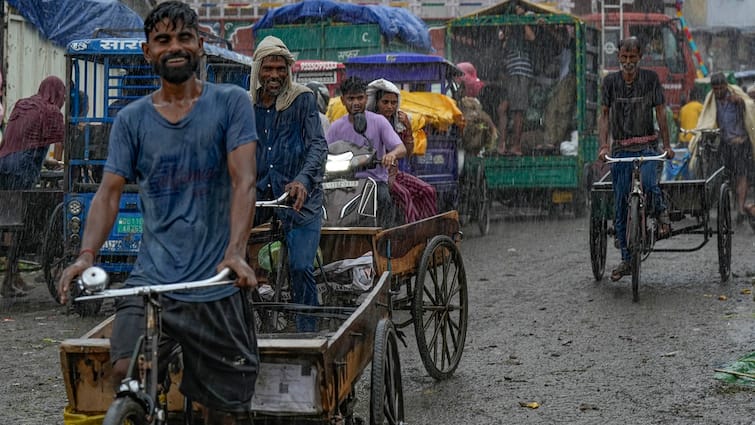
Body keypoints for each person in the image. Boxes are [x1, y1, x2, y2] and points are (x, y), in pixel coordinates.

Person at [57, 3, 259, 424]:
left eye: (184, 37)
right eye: (163, 40)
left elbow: (244, 182)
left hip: (215, 285)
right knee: (122, 372)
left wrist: (236, 252)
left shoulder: (231, 103)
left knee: (226, 414)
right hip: (152, 284)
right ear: (148, 52)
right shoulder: (131, 119)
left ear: (200, 45)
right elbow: (108, 193)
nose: (175, 47)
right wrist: (85, 256)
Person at [251, 36, 328, 332]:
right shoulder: (250, 106)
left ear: (288, 70)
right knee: (222, 247)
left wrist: (302, 179)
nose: (274, 75)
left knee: (300, 266)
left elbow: (318, 146)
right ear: (258, 70)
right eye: (268, 68)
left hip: (299, 198)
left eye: (280, 68)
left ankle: (309, 330)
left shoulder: (302, 99)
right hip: (261, 194)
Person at [598, 37, 675, 282]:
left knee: (651, 183)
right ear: (618, 57)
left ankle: (661, 214)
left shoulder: (650, 79)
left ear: (639, 57)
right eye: (624, 57)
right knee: (620, 201)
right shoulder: (609, 82)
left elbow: (661, 112)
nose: (628, 62)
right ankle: (625, 257)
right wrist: (603, 145)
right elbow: (604, 115)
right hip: (620, 151)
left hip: (647, 146)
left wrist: (667, 145)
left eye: (632, 57)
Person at [326, 76, 406, 227]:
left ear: (366, 98)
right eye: (351, 98)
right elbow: (323, 152)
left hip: (373, 182)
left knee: (384, 199)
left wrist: (391, 154)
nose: (356, 103)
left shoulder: (379, 121)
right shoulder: (336, 126)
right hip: (342, 183)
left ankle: (383, 243)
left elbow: (401, 148)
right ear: (343, 100)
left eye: (360, 98)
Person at [366, 78, 437, 223]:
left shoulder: (398, 124)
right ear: (377, 103)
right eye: (385, 102)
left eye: (393, 103)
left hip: (395, 174)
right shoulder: (369, 122)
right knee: (405, 196)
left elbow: (408, 152)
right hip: (377, 176)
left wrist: (408, 128)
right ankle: (411, 236)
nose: (390, 107)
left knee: (428, 190)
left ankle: (428, 230)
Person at [695, 72, 755, 220]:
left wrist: (740, 102)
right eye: (716, 88)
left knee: (742, 175)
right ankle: (720, 202)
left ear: (726, 86)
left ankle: (740, 209)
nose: (719, 91)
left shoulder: (736, 96)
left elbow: (749, 106)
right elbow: (707, 118)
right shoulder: (712, 101)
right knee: (721, 175)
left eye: (721, 87)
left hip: (741, 143)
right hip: (725, 145)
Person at [0, 76, 65, 190]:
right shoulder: (52, 111)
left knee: (5, 204)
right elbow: (63, 140)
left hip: (3, 163)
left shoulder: (22, 104)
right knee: (21, 204)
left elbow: (18, 144)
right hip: (22, 169)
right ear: (58, 94)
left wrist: (45, 161)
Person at [496, 3, 536, 156]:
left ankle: (516, 146)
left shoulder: (523, 24)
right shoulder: (508, 30)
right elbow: (502, 39)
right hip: (513, 74)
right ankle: (503, 143)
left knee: (517, 111)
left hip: (520, 72)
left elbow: (531, 37)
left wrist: (521, 18)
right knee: (503, 109)